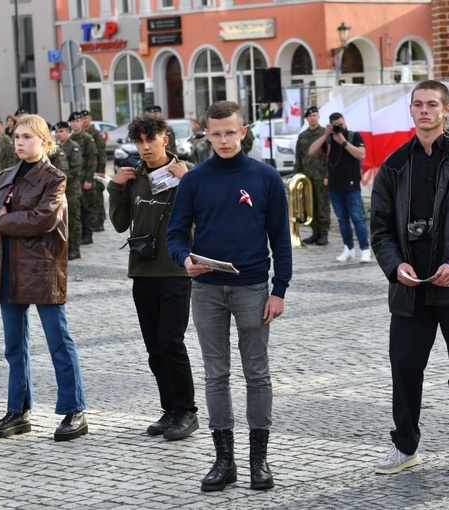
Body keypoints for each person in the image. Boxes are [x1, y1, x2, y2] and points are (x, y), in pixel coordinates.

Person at [370, 80, 449, 476]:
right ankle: (405, 446)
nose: (424, 111)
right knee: (405, 366)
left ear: (447, 109)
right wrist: (394, 267)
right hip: (409, 286)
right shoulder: (394, 164)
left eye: (432, 105)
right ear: (411, 111)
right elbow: (380, 229)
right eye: (418, 105)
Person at [167, 100, 291, 492]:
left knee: (257, 373)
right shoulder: (194, 179)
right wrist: (184, 258)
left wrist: (279, 290)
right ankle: (224, 461)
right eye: (215, 132)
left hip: (253, 289)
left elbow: (280, 239)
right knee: (216, 375)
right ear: (206, 133)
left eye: (230, 132)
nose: (223, 139)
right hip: (205, 290)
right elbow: (175, 233)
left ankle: (259, 460)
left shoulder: (266, 178)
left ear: (244, 131)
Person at [0, 114, 88, 442]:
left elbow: (44, 219)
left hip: (42, 268)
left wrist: (4, 222)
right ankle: (18, 411)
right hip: (8, 268)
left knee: (58, 341)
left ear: (43, 140)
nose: (20, 142)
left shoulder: (54, 177)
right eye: (16, 137)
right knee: (14, 346)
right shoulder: (4, 176)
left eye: (26, 136)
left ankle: (74, 409)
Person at [108, 113, 199, 441]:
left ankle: (187, 410)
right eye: (139, 141)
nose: (145, 147)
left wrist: (188, 179)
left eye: (151, 139)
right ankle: (170, 408)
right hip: (143, 270)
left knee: (171, 341)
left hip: (175, 269)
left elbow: (203, 217)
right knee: (153, 347)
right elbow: (120, 223)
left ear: (166, 139)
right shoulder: (133, 176)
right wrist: (115, 187)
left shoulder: (187, 172)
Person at [309, 112, 370, 262]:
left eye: (341, 124)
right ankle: (348, 249)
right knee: (342, 219)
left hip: (351, 185)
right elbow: (311, 152)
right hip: (334, 186)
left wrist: (343, 141)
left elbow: (361, 155)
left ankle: (365, 249)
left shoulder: (353, 136)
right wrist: (325, 135)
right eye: (336, 125)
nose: (339, 127)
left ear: (345, 122)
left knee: (357, 218)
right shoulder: (329, 140)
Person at [293, 106, 330, 246]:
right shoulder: (302, 136)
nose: (312, 118)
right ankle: (315, 232)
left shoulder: (324, 134)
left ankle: (324, 233)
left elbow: (329, 157)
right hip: (306, 177)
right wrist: (297, 176)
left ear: (318, 116)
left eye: (314, 115)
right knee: (309, 206)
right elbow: (299, 157)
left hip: (321, 177)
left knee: (323, 205)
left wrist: (328, 175)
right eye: (310, 116)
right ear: (306, 119)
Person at [53, 121, 84, 260]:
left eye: (62, 131)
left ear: (68, 132)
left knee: (73, 219)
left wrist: (61, 181)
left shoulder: (74, 147)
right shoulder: (56, 147)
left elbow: (76, 170)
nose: (59, 134)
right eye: (57, 132)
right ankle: (64, 247)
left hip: (71, 190)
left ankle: (75, 248)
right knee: (62, 220)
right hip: (60, 191)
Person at [68, 111, 98, 246]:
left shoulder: (87, 138)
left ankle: (88, 233)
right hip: (74, 180)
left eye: (77, 121)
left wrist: (89, 179)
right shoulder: (69, 139)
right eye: (73, 122)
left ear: (81, 122)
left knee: (87, 207)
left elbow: (93, 159)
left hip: (85, 176)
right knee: (78, 209)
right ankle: (79, 235)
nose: (75, 123)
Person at [81, 110, 108, 232]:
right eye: (81, 118)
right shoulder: (80, 134)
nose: (83, 120)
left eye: (85, 118)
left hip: (96, 169)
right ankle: (91, 221)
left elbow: (101, 153)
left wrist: (102, 169)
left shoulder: (96, 134)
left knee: (97, 195)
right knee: (89, 197)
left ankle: (100, 220)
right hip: (85, 170)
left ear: (90, 119)